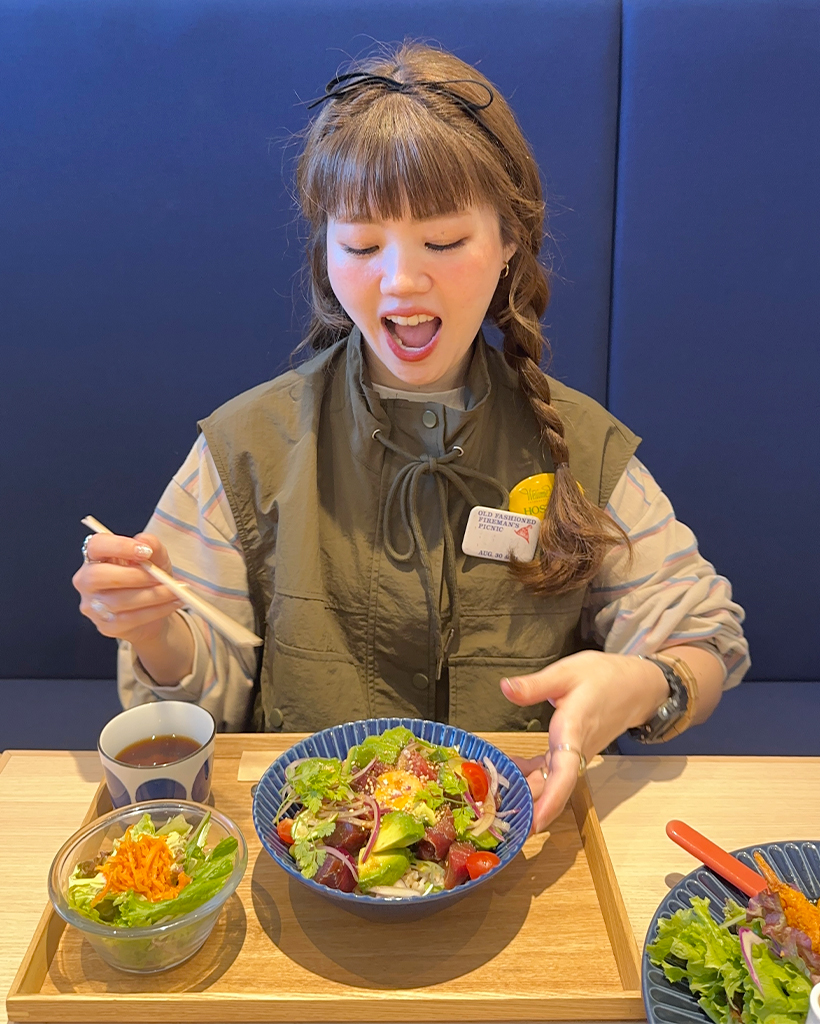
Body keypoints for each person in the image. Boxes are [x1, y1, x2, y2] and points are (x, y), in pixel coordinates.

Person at [73, 42, 749, 832]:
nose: (399, 280)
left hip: (512, 841)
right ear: (328, 254)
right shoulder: (245, 446)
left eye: (444, 242)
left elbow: (705, 638)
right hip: (312, 847)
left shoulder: (582, 448)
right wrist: (153, 627)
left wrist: (642, 686)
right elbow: (202, 701)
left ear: (509, 243)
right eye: (361, 246)